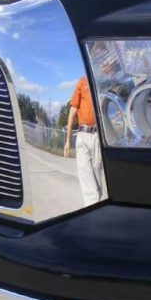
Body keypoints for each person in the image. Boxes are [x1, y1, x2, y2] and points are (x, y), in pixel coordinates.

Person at [64, 76, 104, 205]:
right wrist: (67, 141)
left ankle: (97, 206)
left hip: (97, 136)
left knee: (98, 181)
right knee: (89, 187)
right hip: (82, 136)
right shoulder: (82, 81)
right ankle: (93, 213)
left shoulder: (101, 81)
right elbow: (72, 112)